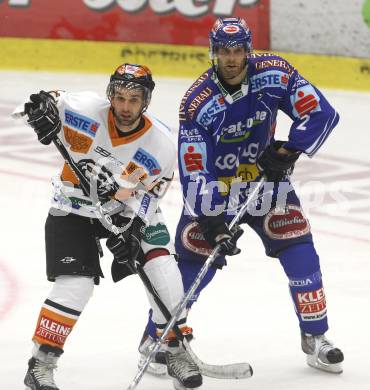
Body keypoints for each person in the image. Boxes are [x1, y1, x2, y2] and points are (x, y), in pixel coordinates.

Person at [140, 17, 344, 377]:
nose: (231, 59)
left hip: (266, 184)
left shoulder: (275, 73)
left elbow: (321, 112)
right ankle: (155, 339)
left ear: (248, 50)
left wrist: (288, 150)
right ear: (213, 52)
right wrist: (210, 218)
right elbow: (193, 167)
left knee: (300, 250)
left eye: (237, 51)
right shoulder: (197, 103)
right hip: (216, 192)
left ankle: (316, 338)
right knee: (191, 265)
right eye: (223, 51)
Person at [18, 63, 202, 390]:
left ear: (146, 101)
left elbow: (151, 195)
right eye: (119, 98)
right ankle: (41, 364)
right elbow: (35, 105)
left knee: (165, 271)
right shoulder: (83, 109)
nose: (125, 107)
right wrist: (38, 109)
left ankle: (172, 350)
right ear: (110, 95)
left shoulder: (160, 143)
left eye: (134, 99)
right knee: (76, 285)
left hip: (126, 209)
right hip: (72, 206)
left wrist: (131, 229)